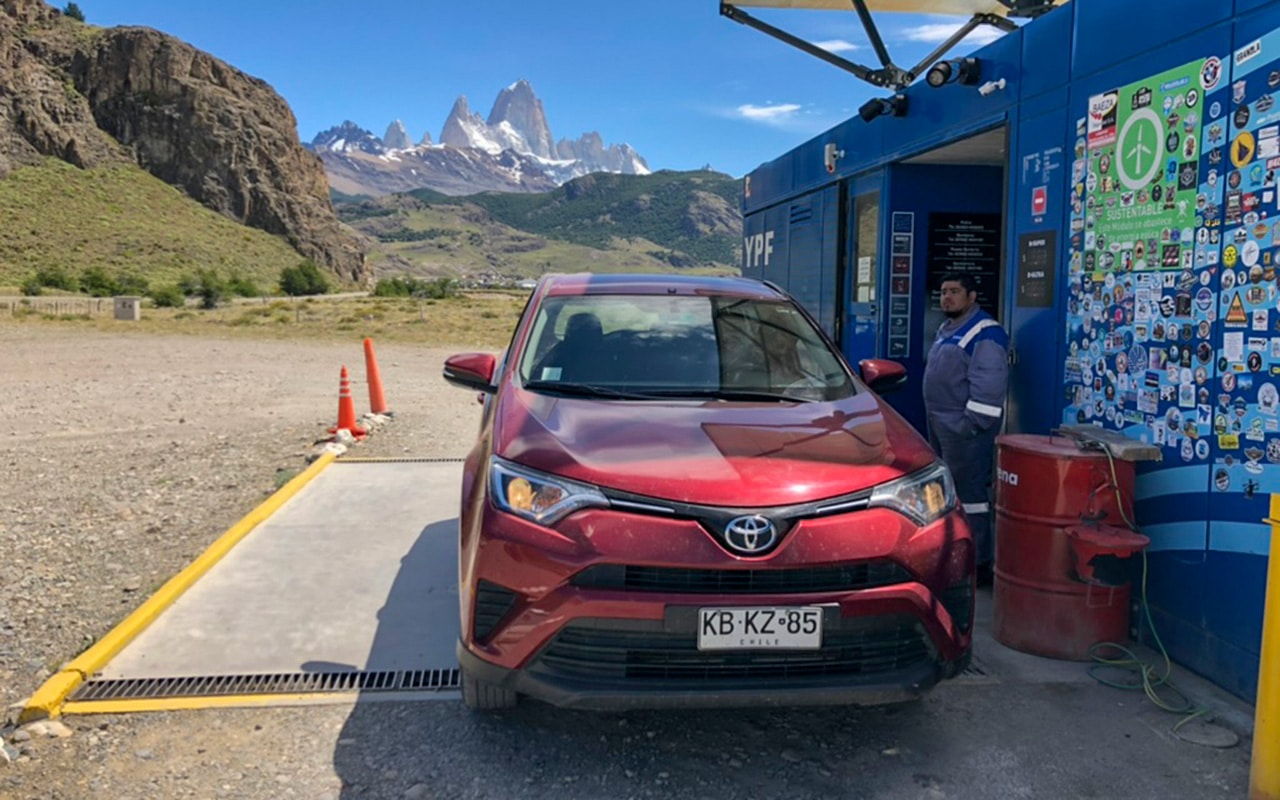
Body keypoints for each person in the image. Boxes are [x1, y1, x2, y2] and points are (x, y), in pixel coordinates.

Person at [922, 273, 1009, 587]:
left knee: (970, 497)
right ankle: (953, 555)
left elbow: (989, 389)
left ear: (972, 296)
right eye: (944, 292)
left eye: (955, 292)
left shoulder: (985, 333)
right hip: (942, 426)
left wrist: (968, 427)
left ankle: (977, 563)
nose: (947, 297)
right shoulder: (947, 328)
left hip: (964, 432)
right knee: (949, 495)